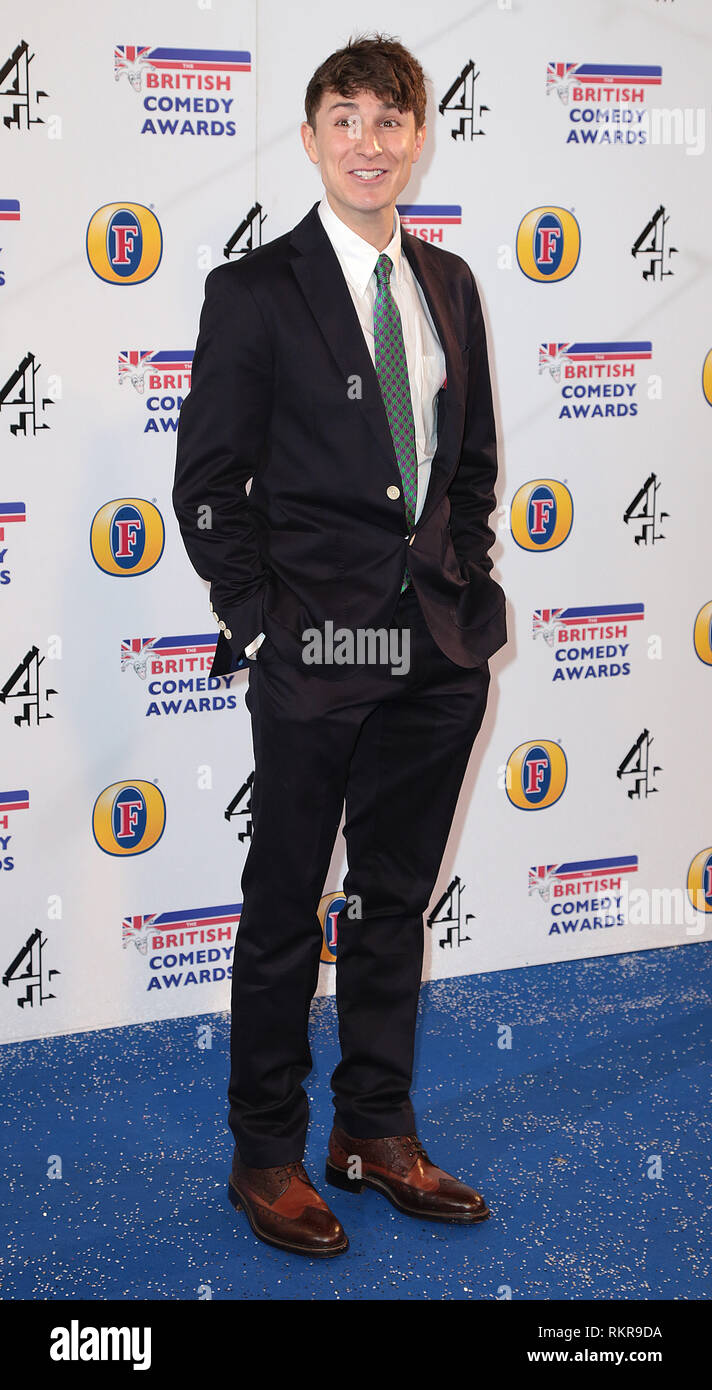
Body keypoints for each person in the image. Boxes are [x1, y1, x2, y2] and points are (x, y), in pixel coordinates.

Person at [173, 33, 507, 1258]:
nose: (370, 142)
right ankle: (265, 1152)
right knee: (282, 911)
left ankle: (374, 1128)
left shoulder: (454, 285)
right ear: (311, 137)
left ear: (418, 138)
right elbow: (207, 485)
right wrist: (264, 619)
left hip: (435, 648)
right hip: (315, 653)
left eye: (391, 120)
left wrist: (463, 584)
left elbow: (467, 471)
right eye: (346, 118)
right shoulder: (255, 291)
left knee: (391, 905)